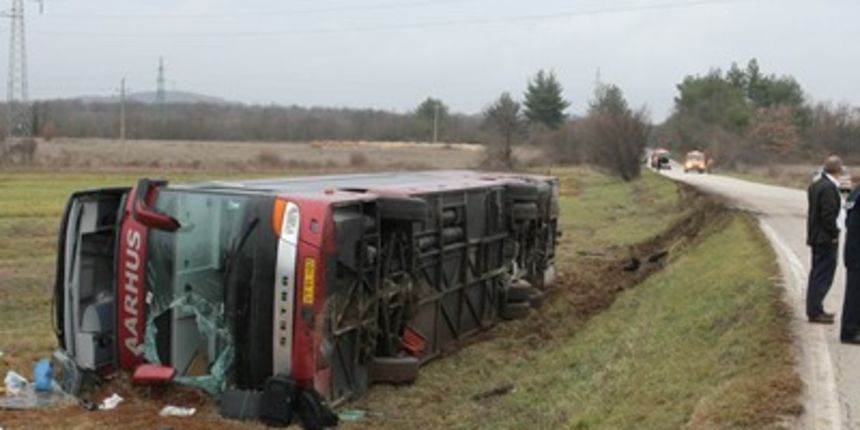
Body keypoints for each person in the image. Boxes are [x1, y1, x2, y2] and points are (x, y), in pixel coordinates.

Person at [806, 155, 844, 324]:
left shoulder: (816, 185)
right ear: (838, 170)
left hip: (816, 236)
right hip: (825, 238)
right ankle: (815, 311)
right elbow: (828, 215)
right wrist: (834, 234)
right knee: (823, 275)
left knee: (817, 273)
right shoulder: (829, 188)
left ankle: (816, 308)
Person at [843, 181, 860, 343]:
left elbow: (848, 221)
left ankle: (853, 328)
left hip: (853, 249)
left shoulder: (855, 192)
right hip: (857, 252)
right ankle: (850, 331)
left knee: (854, 294)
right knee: (855, 295)